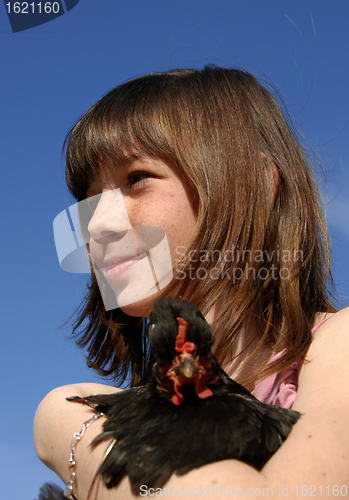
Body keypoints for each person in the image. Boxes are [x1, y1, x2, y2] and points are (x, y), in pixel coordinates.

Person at [33, 66, 349, 499]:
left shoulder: (339, 346)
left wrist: (75, 435)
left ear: (257, 185)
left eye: (137, 179)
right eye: (89, 200)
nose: (98, 225)